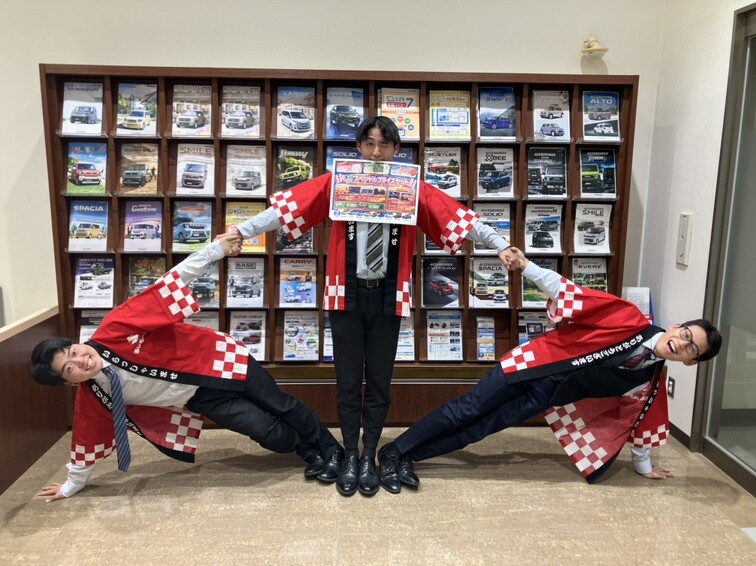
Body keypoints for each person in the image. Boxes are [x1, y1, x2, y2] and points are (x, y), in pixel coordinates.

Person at [233, 116, 517, 497]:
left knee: (380, 381)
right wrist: (241, 230)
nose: (377, 153)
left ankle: (370, 455)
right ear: (358, 147)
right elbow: (289, 209)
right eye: (369, 144)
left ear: (397, 149)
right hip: (344, 293)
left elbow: (456, 216)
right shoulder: (339, 182)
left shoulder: (409, 187)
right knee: (348, 380)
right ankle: (350, 453)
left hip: (388, 294)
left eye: (385, 145)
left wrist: (500, 244)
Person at [378, 247, 722, 493]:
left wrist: (644, 467)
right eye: (686, 335)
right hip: (532, 363)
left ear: (691, 362)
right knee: (466, 409)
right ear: (677, 327)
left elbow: (639, 417)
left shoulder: (649, 378)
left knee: (479, 429)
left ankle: (409, 456)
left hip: (548, 394)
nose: (682, 343)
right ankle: (394, 451)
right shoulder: (630, 318)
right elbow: (572, 294)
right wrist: (526, 266)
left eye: (692, 348)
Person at [32, 233, 342, 503]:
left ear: (76, 343)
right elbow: (84, 440)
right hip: (199, 396)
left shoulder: (114, 328)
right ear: (69, 383)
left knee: (281, 405)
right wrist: (71, 485)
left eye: (73, 351)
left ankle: (330, 451)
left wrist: (215, 250)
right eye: (69, 368)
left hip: (219, 359)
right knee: (264, 430)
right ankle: (306, 450)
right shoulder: (96, 395)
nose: (81, 360)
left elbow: (169, 283)